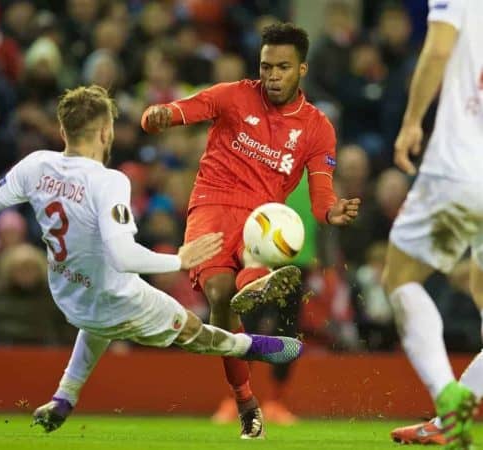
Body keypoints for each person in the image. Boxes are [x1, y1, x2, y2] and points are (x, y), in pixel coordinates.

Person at [0, 85, 304, 435]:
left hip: (68, 295)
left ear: (63, 131)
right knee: (194, 332)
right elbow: (124, 257)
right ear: (106, 132)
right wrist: (179, 260)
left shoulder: (36, 165)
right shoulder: (108, 181)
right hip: (119, 298)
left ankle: (64, 397)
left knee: (97, 318)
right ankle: (255, 346)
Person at [141, 22, 360, 438]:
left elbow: (320, 197)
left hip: (262, 219)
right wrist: (160, 116)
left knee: (242, 279)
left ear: (302, 70)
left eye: (282, 67)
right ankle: (245, 397)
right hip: (210, 206)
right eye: (266, 67)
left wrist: (332, 213)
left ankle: (256, 276)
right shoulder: (234, 95)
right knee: (221, 299)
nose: (272, 76)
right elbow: (185, 109)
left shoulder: (317, 128)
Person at [381, 1, 483, 448]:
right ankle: (458, 412)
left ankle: (447, 397)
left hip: (460, 169)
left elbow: (439, 50)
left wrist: (410, 123)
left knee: (400, 279)